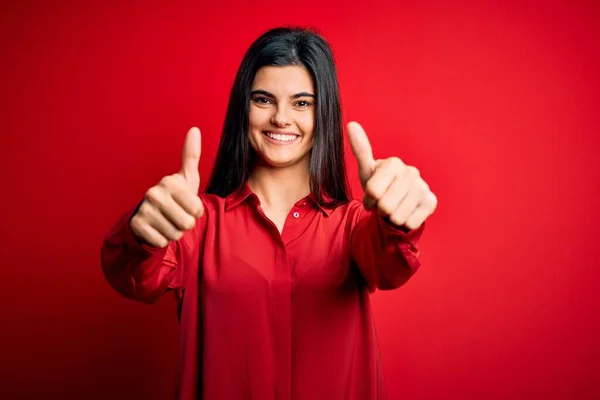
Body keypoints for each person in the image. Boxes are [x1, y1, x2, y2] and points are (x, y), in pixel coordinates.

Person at [100, 26, 437, 400]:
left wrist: (401, 219)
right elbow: (133, 276)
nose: (280, 118)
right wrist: (141, 230)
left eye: (302, 103)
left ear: (323, 113)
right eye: (263, 99)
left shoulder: (353, 226)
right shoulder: (197, 222)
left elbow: (392, 263)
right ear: (242, 108)